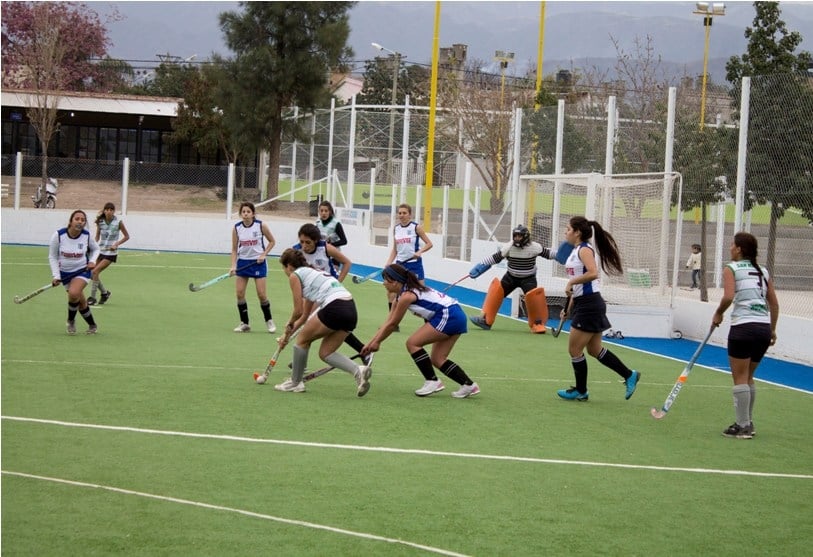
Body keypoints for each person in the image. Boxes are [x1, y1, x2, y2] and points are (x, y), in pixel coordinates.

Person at [362, 263, 480, 399]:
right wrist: (370, 343)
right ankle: (468, 385)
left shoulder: (407, 296)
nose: (383, 283)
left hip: (449, 315)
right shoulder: (400, 297)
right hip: (455, 314)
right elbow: (387, 322)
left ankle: (432, 381)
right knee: (438, 359)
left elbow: (393, 324)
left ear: (395, 281)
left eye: (385, 280)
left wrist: (378, 342)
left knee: (412, 343)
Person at [556, 216, 640, 401]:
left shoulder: (585, 249)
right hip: (584, 303)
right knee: (594, 350)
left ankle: (581, 390)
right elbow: (579, 286)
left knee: (574, 350)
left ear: (577, 232)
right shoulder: (575, 250)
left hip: (590, 305)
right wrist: (569, 308)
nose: (565, 232)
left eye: (568, 229)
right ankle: (629, 375)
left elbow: (593, 273)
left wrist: (571, 282)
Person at [273, 248, 372, 396]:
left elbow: (297, 311)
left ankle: (295, 382)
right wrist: (286, 336)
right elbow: (305, 315)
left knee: (302, 340)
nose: (285, 272)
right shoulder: (313, 274)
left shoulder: (295, 275)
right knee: (326, 353)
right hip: (351, 309)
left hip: (335, 306)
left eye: (284, 268)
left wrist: (289, 323)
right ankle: (358, 370)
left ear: (289, 266)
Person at [711, 232, 779, 440]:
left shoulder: (731, 268)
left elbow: (728, 297)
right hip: (763, 328)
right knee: (749, 376)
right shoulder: (763, 271)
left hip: (743, 327)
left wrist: (719, 313)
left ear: (739, 249)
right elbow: (774, 304)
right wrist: (772, 329)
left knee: (740, 377)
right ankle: (748, 422)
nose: (730, 248)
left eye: (732, 245)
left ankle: (742, 426)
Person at [468, 224, 573, 333]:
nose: (517, 238)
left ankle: (537, 324)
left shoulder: (535, 247)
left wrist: (563, 257)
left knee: (534, 299)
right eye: (515, 236)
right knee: (496, 292)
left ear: (526, 237)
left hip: (528, 279)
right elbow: (494, 258)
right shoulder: (508, 247)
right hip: (510, 277)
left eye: (520, 236)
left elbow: (550, 254)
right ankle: (485, 320)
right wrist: (480, 267)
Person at [293, 223, 372, 365]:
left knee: (316, 323)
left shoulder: (325, 248)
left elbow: (347, 263)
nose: (304, 246)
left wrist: (338, 282)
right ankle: (363, 350)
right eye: (302, 242)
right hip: (313, 291)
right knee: (318, 323)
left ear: (315, 240)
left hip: (329, 291)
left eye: (308, 242)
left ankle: (300, 360)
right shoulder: (297, 251)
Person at [48, 210, 100, 335]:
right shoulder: (59, 235)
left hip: (82, 270)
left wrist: (92, 261)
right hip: (65, 274)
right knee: (80, 301)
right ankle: (92, 325)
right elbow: (53, 256)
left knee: (74, 292)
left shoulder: (86, 235)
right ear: (71, 221)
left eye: (83, 220)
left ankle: (70, 320)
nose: (80, 222)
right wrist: (56, 275)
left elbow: (96, 249)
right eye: (77, 219)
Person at [384, 203, 433, 330]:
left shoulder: (416, 227)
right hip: (400, 265)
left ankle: (429, 324)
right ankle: (392, 324)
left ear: (410, 214)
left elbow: (429, 244)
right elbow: (395, 249)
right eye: (400, 213)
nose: (401, 215)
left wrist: (420, 252)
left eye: (404, 213)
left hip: (414, 265)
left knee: (421, 293)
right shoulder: (396, 229)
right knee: (391, 292)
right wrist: (389, 262)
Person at [231, 202, 277, 333]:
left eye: (248, 212)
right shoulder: (237, 228)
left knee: (261, 295)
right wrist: (233, 266)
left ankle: (269, 320)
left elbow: (272, 241)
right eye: (243, 212)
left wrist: (264, 254)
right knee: (239, 293)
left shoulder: (261, 225)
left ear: (253, 213)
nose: (245, 214)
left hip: (258, 263)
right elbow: (234, 249)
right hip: (243, 263)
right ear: (240, 214)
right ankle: (245, 323)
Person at [88, 202, 130, 306]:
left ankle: (92, 298)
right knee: (91, 273)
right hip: (101, 251)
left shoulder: (118, 222)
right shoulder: (100, 222)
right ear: (104, 210)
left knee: (95, 271)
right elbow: (97, 237)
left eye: (111, 210)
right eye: (107, 210)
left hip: (111, 253)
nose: (109, 212)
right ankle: (104, 293)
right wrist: (92, 246)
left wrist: (116, 244)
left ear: (114, 211)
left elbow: (127, 236)